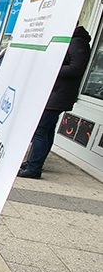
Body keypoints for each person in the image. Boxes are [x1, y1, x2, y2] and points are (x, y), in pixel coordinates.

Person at [18, 25, 92, 179]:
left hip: (58, 94)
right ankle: (34, 162)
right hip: (54, 93)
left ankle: (34, 168)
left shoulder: (78, 42)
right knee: (47, 129)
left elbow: (76, 68)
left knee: (40, 130)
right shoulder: (69, 40)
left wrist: (50, 68)